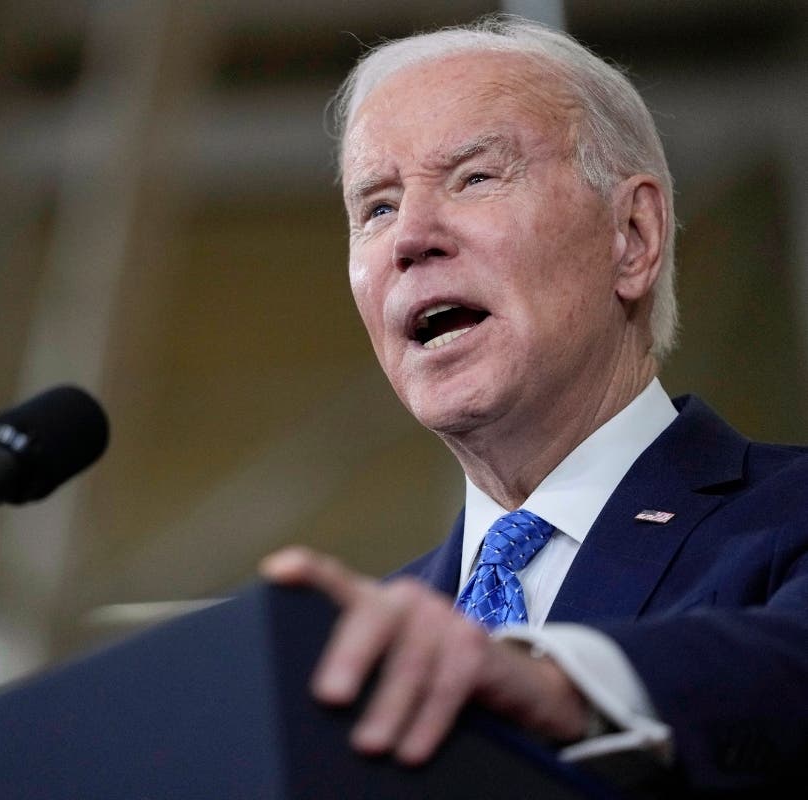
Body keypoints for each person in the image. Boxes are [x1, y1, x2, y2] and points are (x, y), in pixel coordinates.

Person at [259, 13, 808, 797]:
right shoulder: (357, 655)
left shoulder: (788, 517)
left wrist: (553, 685)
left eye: (474, 177)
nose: (410, 236)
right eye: (375, 207)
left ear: (631, 236)